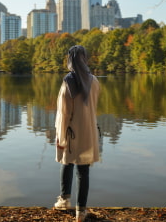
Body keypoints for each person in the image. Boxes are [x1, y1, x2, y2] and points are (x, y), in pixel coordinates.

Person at [54, 45, 100, 222]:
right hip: (88, 131)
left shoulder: (68, 82)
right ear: (85, 58)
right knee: (84, 171)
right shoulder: (94, 81)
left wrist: (61, 135)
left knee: (67, 163)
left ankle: (64, 200)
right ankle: (81, 212)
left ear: (70, 59)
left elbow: (63, 112)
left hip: (71, 131)